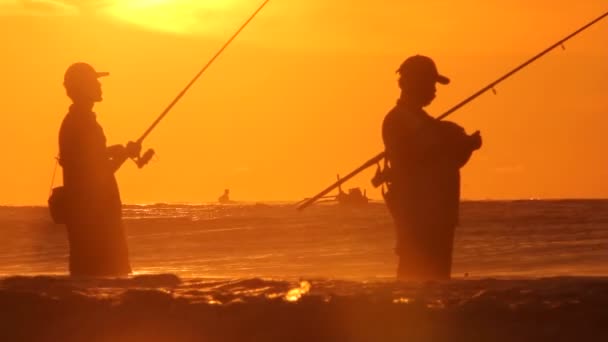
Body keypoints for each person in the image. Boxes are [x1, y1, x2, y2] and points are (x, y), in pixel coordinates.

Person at [381, 55, 482, 281]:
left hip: (439, 216)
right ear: (412, 83)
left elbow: (446, 162)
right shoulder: (398, 119)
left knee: (437, 280)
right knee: (415, 277)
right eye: (430, 83)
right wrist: (454, 142)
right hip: (418, 216)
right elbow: (417, 159)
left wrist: (466, 147)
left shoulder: (427, 122)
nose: (434, 90)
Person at [58, 62, 141, 277]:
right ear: (83, 87)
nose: (99, 86)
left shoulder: (76, 121)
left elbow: (89, 163)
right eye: (95, 81)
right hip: (97, 221)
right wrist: (123, 154)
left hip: (88, 219)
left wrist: (115, 151)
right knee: (109, 278)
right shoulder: (82, 123)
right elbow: (96, 173)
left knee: (91, 283)